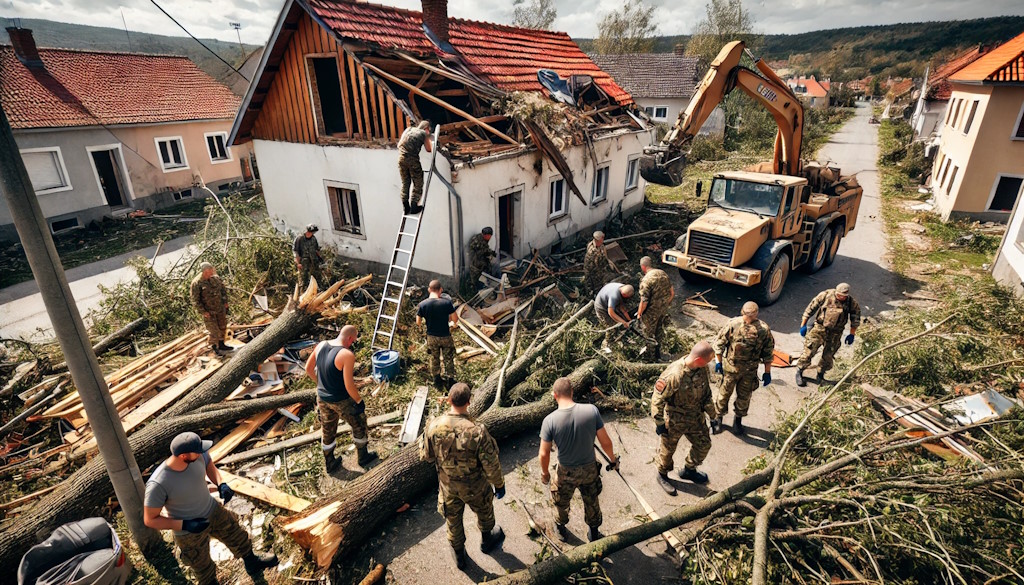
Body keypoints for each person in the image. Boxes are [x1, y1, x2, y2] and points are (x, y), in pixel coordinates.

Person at [144, 432, 278, 585]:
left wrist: (221, 483)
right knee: (201, 565)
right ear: (183, 456)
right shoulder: (158, 484)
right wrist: (184, 524)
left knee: (237, 535)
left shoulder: (198, 455)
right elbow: (150, 519)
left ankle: (252, 563)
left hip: (212, 510)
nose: (203, 451)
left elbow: (209, 465)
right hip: (189, 531)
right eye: (199, 450)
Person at [420, 383, 506, 570]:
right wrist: (499, 485)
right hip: (476, 486)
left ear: (449, 400)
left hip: (448, 486)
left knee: (453, 520)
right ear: (469, 402)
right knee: (484, 513)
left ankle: (459, 556)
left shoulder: (433, 426)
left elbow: (426, 456)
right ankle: (487, 540)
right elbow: (491, 465)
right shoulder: (478, 431)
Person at [539, 377, 618, 542]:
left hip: (565, 471)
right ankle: (594, 533)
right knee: (592, 500)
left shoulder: (549, 421)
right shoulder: (591, 411)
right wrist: (613, 460)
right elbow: (606, 442)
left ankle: (560, 527)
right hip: (589, 469)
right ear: (572, 392)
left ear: (554, 396)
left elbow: (544, 454)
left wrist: (545, 473)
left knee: (561, 501)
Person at [304, 325, 377, 472]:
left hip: (322, 398)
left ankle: (330, 462)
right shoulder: (346, 355)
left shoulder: (321, 345)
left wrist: (320, 384)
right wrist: (359, 401)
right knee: (359, 424)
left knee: (328, 429)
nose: (352, 344)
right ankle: (363, 457)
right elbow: (349, 385)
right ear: (349, 338)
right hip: (341, 400)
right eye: (353, 341)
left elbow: (308, 369)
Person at [651, 341, 717, 495]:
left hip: (696, 418)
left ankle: (689, 469)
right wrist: (659, 422)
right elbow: (657, 399)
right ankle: (662, 474)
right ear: (699, 360)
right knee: (667, 451)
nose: (708, 364)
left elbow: (707, 395)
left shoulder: (702, 369)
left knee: (704, 445)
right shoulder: (674, 374)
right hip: (675, 420)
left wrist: (713, 417)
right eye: (707, 361)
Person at [711, 301, 774, 435]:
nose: (749, 319)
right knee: (723, 395)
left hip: (749, 372)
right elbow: (719, 344)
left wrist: (767, 372)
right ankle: (718, 419)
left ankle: (738, 421)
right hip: (730, 369)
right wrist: (718, 362)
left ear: (756, 314)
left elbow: (768, 352)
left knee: (744, 397)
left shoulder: (763, 330)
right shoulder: (733, 324)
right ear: (742, 312)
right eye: (747, 315)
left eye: (752, 315)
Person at [796, 283, 861, 387]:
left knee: (828, 355)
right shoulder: (825, 295)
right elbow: (810, 309)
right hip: (820, 328)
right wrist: (803, 325)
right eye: (839, 295)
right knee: (809, 349)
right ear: (836, 292)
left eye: (844, 296)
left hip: (836, 332)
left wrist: (852, 334)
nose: (841, 297)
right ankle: (800, 370)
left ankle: (820, 374)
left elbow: (855, 319)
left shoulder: (851, 303)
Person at [417, 280, 459, 388]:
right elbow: (455, 319)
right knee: (448, 357)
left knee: (434, 358)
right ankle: (450, 380)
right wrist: (453, 324)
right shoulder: (447, 303)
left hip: (431, 336)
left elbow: (418, 321)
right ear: (441, 290)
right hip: (445, 335)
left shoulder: (422, 304)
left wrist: (422, 327)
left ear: (429, 290)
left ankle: (437, 380)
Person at [637, 256, 675, 360]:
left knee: (648, 335)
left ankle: (650, 358)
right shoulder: (663, 274)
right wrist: (666, 304)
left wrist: (639, 313)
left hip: (651, 313)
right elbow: (672, 292)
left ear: (643, 267)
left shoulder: (646, 280)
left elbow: (644, 301)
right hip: (663, 310)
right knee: (659, 331)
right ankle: (659, 354)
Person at [190, 262, 230, 355]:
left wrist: (225, 302)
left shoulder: (215, 278)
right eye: (210, 271)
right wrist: (203, 311)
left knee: (222, 327)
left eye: (212, 271)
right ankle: (215, 348)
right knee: (213, 331)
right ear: (204, 271)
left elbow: (223, 290)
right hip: (209, 312)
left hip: (220, 308)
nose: (212, 273)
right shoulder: (197, 283)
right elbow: (195, 300)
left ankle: (222, 345)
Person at [398, 120, 433, 215]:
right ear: (426, 129)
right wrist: (430, 141)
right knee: (418, 181)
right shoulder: (423, 134)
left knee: (405, 182)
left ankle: (405, 206)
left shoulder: (408, 129)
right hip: (412, 159)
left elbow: (400, 144)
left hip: (401, 158)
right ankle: (414, 205)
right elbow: (429, 149)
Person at [594, 282, 634, 351]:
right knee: (611, 327)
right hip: (601, 308)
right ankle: (605, 345)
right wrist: (624, 323)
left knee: (621, 319)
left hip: (608, 303)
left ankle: (618, 339)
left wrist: (629, 320)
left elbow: (622, 308)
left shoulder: (622, 287)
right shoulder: (614, 296)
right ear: (623, 294)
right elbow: (611, 313)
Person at [583, 231, 612, 296]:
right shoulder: (593, 252)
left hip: (597, 268)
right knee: (593, 286)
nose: (603, 239)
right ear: (598, 239)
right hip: (592, 271)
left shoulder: (600, 245)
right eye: (602, 238)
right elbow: (598, 265)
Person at [293, 224, 323, 288]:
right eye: (310, 232)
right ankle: (303, 290)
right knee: (304, 278)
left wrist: (320, 258)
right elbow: (296, 251)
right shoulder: (300, 239)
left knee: (317, 276)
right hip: (304, 262)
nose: (310, 233)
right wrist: (298, 263)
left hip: (314, 260)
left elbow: (316, 249)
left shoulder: (313, 238)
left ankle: (318, 288)